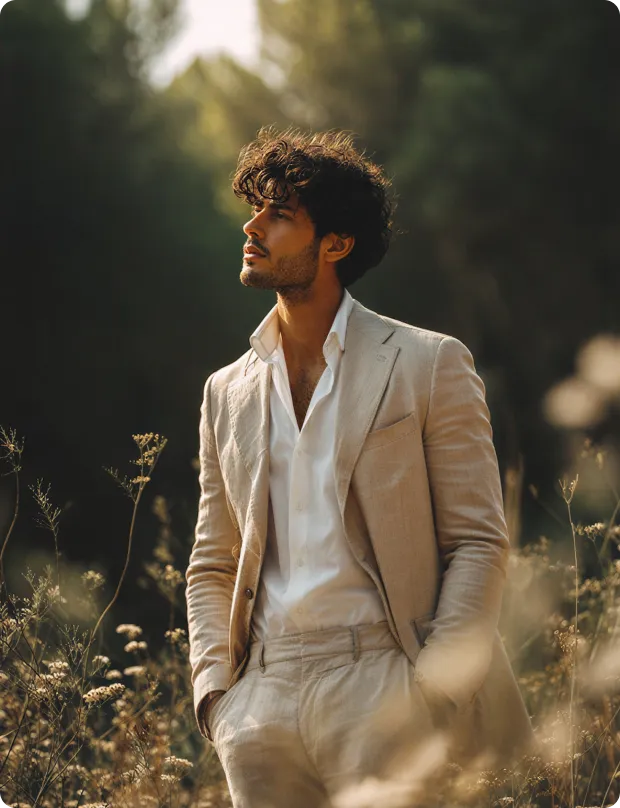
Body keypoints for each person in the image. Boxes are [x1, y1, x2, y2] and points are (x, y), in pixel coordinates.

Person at [185, 128, 534, 808]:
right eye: (255, 210)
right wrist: (218, 697)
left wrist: (436, 690)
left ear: (335, 244)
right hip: (260, 705)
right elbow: (212, 562)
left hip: (385, 679)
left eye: (279, 214)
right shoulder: (225, 391)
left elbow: (477, 540)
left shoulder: (428, 363)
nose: (252, 228)